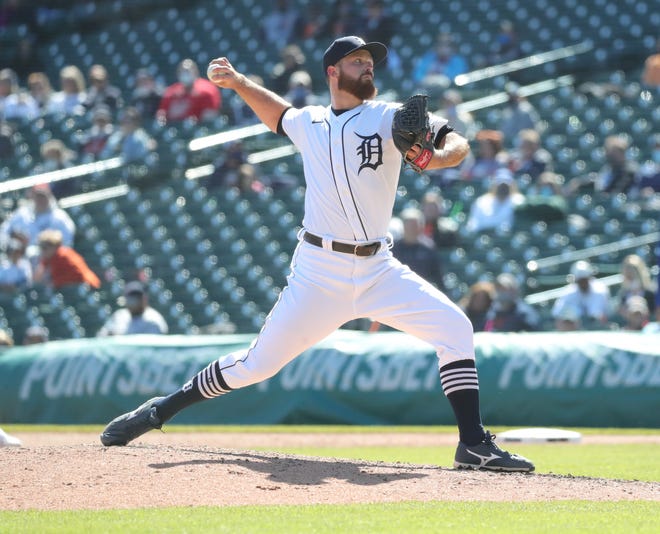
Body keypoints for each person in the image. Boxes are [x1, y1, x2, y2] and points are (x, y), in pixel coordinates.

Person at [100, 35, 534, 473]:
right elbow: (280, 114)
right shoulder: (309, 122)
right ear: (332, 72)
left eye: (370, 61)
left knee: (455, 327)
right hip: (318, 272)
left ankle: (473, 445)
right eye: (357, 61)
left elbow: (456, 142)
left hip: (378, 268)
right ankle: (160, 411)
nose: (368, 67)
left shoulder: (390, 116)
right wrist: (238, 82)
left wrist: (434, 157)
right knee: (256, 364)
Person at [0, 183, 76, 251]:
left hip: (51, 262)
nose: (40, 199)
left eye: (43, 195)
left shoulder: (60, 217)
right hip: (23, 261)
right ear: (33, 196)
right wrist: (15, 242)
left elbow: (67, 242)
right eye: (37, 195)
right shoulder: (22, 214)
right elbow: (4, 233)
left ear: (49, 195)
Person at [391, 207, 444, 290]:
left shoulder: (428, 249)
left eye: (414, 226)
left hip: (422, 291)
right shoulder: (393, 248)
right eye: (409, 226)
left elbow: (437, 276)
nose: (411, 229)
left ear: (421, 227)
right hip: (398, 290)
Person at [157, 59, 221, 123]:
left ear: (195, 72)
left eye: (188, 71)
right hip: (175, 128)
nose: (185, 74)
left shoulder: (207, 90)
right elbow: (161, 115)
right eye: (182, 72)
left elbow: (210, 116)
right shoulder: (171, 92)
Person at [33, 229, 100, 290]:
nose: (42, 251)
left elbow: (77, 275)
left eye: (45, 248)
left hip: (87, 286)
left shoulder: (61, 256)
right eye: (41, 248)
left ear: (55, 246)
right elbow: (37, 278)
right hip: (78, 287)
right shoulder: (51, 257)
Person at [551, 260, 611, 329]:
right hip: (575, 330)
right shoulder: (569, 292)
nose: (583, 283)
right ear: (575, 280)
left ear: (589, 277)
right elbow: (557, 313)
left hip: (598, 328)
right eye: (580, 280)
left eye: (584, 279)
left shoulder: (599, 290)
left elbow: (600, 316)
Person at [97, 281, 168, 336]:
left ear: (144, 299)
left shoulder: (153, 320)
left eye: (137, 297)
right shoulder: (119, 316)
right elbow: (101, 336)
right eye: (130, 297)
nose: (133, 301)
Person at [465, 168, 525, 234]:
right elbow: (473, 223)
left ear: (512, 185)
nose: (503, 188)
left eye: (506, 186)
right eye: (500, 185)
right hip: (482, 234)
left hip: (505, 238)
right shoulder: (482, 201)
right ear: (494, 185)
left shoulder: (517, 201)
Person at [614, 254, 656, 319]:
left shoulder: (650, 293)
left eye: (633, 270)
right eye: (627, 270)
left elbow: (654, 313)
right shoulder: (623, 294)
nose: (630, 273)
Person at [500, 83, 541, 148]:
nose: (511, 97)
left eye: (513, 95)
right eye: (509, 95)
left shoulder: (526, 108)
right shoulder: (506, 111)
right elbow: (504, 132)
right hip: (512, 145)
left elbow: (535, 126)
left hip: (528, 143)